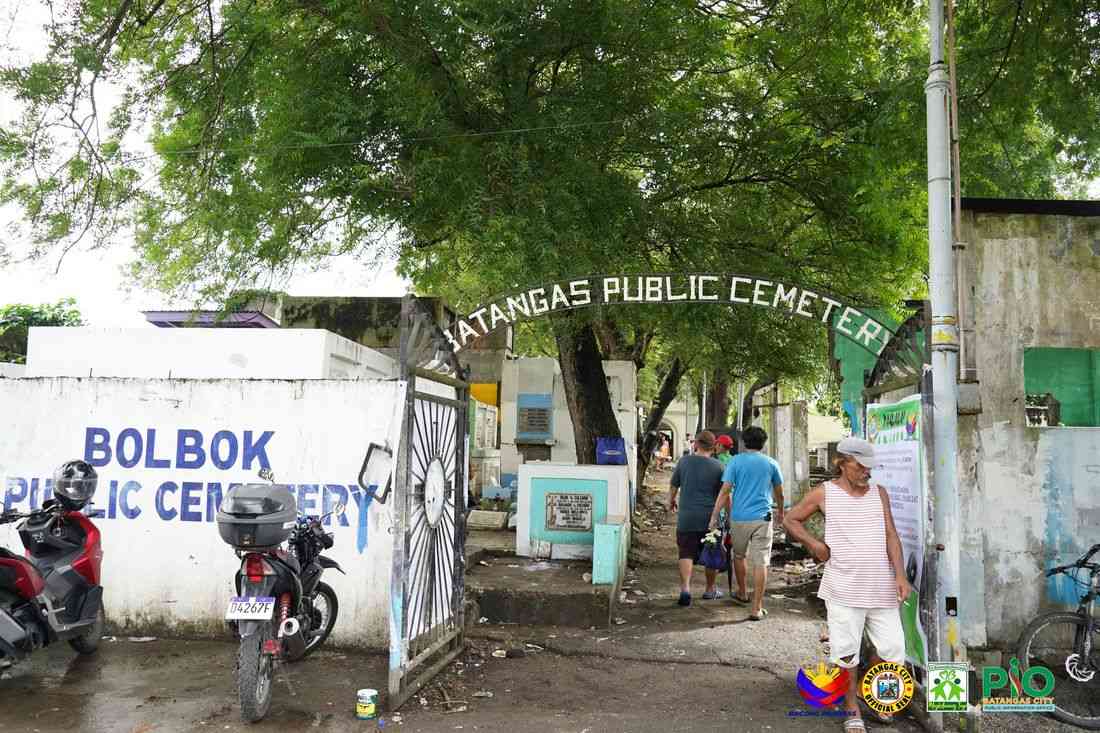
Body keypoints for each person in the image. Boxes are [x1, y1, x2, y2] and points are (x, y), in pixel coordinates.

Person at [782, 437, 912, 731]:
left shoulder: (879, 494)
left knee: (893, 648)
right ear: (843, 463)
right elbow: (790, 520)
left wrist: (900, 575)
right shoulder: (823, 493)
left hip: (881, 588)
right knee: (846, 651)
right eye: (861, 466)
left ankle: (877, 698)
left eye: (870, 467)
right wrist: (814, 545)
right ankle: (852, 707)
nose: (867, 472)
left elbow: (891, 535)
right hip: (843, 588)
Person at [707, 425, 782, 621]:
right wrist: (781, 511)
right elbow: (779, 492)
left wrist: (714, 516)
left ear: (743, 442)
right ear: (763, 443)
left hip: (739, 517)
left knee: (739, 556)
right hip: (763, 518)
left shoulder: (735, 462)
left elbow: (725, 491)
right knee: (761, 562)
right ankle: (756, 607)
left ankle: (742, 591)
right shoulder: (771, 463)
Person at [669, 430, 725, 606]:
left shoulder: (684, 462)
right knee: (711, 552)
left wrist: (670, 501)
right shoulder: (719, 467)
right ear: (713, 447)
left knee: (686, 552)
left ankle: (685, 589)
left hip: (687, 516)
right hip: (710, 518)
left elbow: (673, 485)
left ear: (696, 444)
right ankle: (710, 589)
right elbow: (724, 494)